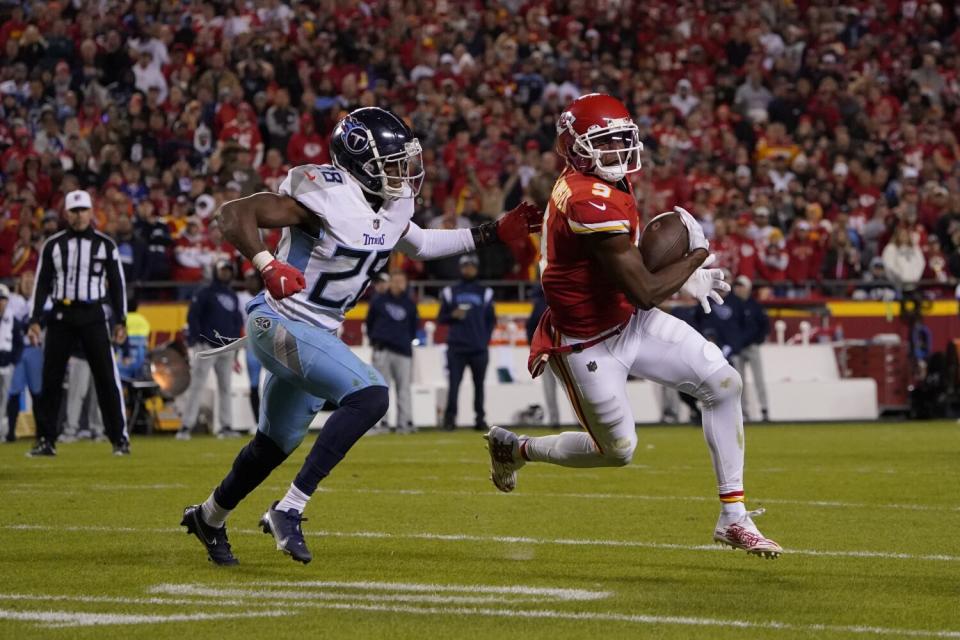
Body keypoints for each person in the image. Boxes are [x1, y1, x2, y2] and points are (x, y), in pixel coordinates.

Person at [180, 106, 540, 565]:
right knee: (372, 396)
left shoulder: (388, 205)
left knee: (273, 444)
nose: (403, 174)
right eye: (391, 164)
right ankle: (289, 508)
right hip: (280, 321)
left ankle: (208, 517)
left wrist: (492, 232)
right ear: (357, 163)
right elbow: (233, 215)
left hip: (316, 332)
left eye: (403, 162)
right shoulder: (324, 198)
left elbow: (423, 244)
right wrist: (267, 265)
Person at [485, 94, 782, 558]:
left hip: (627, 320)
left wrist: (679, 275)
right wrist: (695, 258)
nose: (618, 150)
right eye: (605, 142)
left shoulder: (602, 182)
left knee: (723, 382)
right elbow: (645, 289)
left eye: (622, 138)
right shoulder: (587, 198)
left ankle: (733, 517)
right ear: (576, 148)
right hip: (586, 343)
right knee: (618, 450)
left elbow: (630, 271)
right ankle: (518, 449)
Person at [27, 190, 130, 457]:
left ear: (91, 211)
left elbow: (117, 285)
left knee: (106, 377)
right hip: (61, 314)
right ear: (66, 213)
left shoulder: (106, 245)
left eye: (83, 209)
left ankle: (119, 438)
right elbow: (41, 284)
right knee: (50, 378)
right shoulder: (53, 245)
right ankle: (45, 440)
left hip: (93, 314)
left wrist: (121, 320)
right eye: (74, 210)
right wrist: (35, 319)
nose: (79, 215)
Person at [177, 260, 244, 440]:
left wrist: (236, 345)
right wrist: (196, 340)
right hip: (206, 346)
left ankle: (226, 426)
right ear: (215, 271)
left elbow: (237, 322)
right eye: (223, 270)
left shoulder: (232, 295)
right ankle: (185, 426)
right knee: (196, 386)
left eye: (228, 270)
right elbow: (193, 317)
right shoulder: (204, 292)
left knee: (225, 387)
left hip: (227, 347)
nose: (226, 273)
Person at [438, 254, 496, 431]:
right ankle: (450, 419)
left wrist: (483, 340)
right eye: (465, 266)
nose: (468, 269)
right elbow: (441, 318)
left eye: (471, 266)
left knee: (479, 386)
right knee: (454, 385)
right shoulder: (449, 291)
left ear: (476, 268)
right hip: (456, 348)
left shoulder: (486, 292)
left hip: (478, 348)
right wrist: (452, 315)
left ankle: (480, 419)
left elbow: (491, 321)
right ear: (460, 268)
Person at [366, 271, 419, 433]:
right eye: (395, 281)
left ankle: (405, 423)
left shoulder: (410, 304)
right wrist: (376, 341)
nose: (398, 284)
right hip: (382, 349)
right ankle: (381, 423)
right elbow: (370, 323)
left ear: (405, 283)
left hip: (403, 351)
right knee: (381, 389)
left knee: (404, 389)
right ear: (390, 282)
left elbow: (413, 327)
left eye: (401, 281)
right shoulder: (378, 301)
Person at [729, 276, 770, 422]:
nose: (739, 289)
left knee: (759, 379)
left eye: (742, 286)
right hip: (738, 348)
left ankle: (764, 409)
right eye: (737, 286)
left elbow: (764, 324)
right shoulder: (732, 305)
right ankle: (743, 411)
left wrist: (758, 340)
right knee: (740, 382)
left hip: (752, 346)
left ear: (748, 288)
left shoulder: (754, 306)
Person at [6, 272, 41, 443]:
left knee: (38, 391)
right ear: (19, 283)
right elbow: (12, 321)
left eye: (31, 281)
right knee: (13, 391)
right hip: (19, 348)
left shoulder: (40, 299)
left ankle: (42, 432)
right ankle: (10, 432)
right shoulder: (12, 300)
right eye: (26, 281)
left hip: (36, 349)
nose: (28, 284)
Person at [525, 283, 559, 427]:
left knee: (551, 388)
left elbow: (530, 327)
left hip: (550, 350)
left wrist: (535, 347)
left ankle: (554, 420)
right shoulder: (561, 300)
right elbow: (531, 327)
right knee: (572, 387)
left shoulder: (539, 305)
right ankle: (579, 420)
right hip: (560, 350)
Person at [236, 269, 265, 421]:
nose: (251, 282)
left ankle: (273, 421)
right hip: (251, 345)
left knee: (275, 383)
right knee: (253, 384)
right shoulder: (240, 298)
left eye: (253, 279)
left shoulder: (268, 295)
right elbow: (236, 323)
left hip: (269, 345)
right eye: (248, 279)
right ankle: (257, 421)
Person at [0, 284, 25, 441]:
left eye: (3, 299)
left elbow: (19, 343)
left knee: (4, 400)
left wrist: (13, 361)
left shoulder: (13, 320)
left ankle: (2, 432)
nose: (1, 303)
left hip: (7, 364)